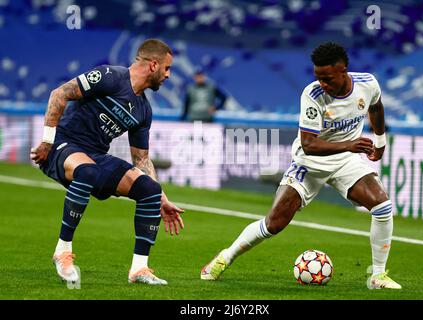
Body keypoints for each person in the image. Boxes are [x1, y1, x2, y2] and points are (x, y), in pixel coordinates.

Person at [200, 42, 401, 289]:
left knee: (382, 206)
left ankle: (377, 275)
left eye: (327, 78)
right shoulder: (312, 95)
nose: (322, 84)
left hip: (345, 161)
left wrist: (380, 140)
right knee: (274, 223)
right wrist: (349, 145)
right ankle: (225, 257)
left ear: (343, 70)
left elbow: (376, 106)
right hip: (309, 164)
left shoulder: (367, 83)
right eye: (318, 77)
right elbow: (309, 145)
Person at [30, 39, 184, 286]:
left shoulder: (143, 110)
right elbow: (59, 93)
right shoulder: (110, 76)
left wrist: (162, 198)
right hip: (63, 145)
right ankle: (62, 251)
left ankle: (139, 269)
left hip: (95, 155)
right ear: (153, 65)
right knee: (88, 171)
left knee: (150, 190)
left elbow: (141, 158)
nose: (168, 75)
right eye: (166, 68)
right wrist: (47, 141)